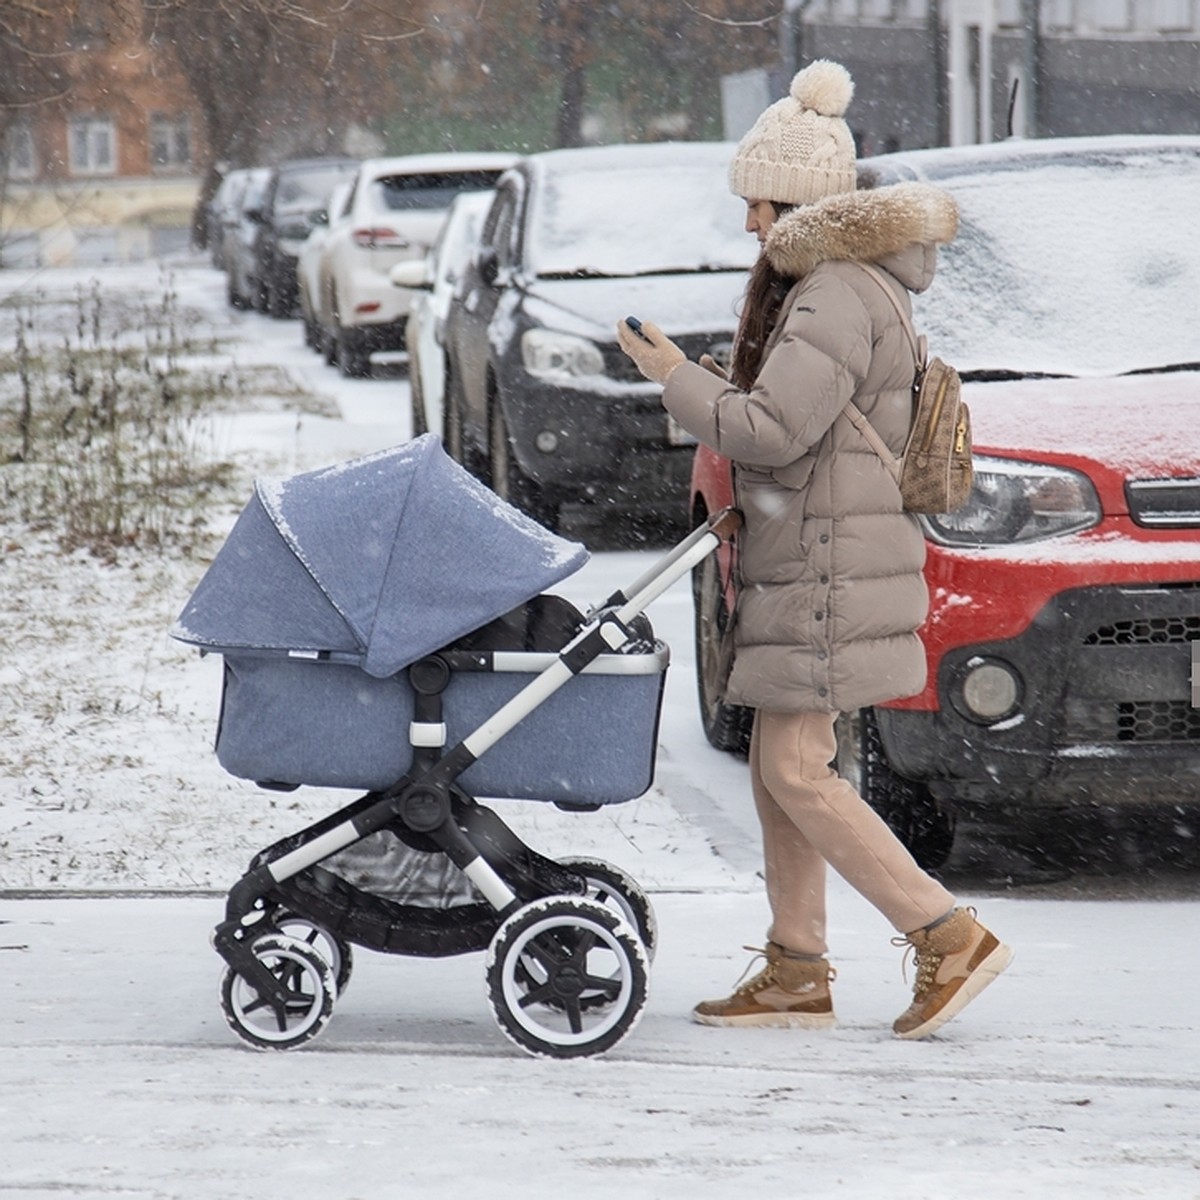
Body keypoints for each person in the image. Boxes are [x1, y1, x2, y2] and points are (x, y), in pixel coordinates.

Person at [616, 59, 1012, 1040]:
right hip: (819, 551)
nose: (751, 222)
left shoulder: (833, 291)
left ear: (799, 195)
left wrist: (674, 377)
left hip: (832, 559)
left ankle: (943, 931)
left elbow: (770, 431)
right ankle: (796, 968)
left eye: (761, 202)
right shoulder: (839, 286)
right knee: (780, 763)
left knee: (796, 766)